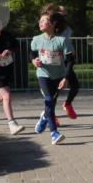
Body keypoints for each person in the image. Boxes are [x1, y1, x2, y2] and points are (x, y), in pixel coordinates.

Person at [30, 11, 73, 145]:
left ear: (53, 24)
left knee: (51, 104)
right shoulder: (36, 39)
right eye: (40, 21)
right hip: (43, 74)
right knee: (48, 100)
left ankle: (44, 118)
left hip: (58, 77)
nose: (40, 23)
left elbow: (70, 61)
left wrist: (65, 78)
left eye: (44, 21)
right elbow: (31, 54)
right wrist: (33, 61)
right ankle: (54, 133)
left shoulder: (62, 40)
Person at [41, 3, 81, 119]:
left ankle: (67, 104)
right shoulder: (52, 26)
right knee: (55, 91)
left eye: (64, 11)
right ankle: (50, 115)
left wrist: (71, 51)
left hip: (67, 59)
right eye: (60, 11)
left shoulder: (66, 26)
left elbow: (66, 41)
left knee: (75, 85)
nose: (63, 13)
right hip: (56, 61)